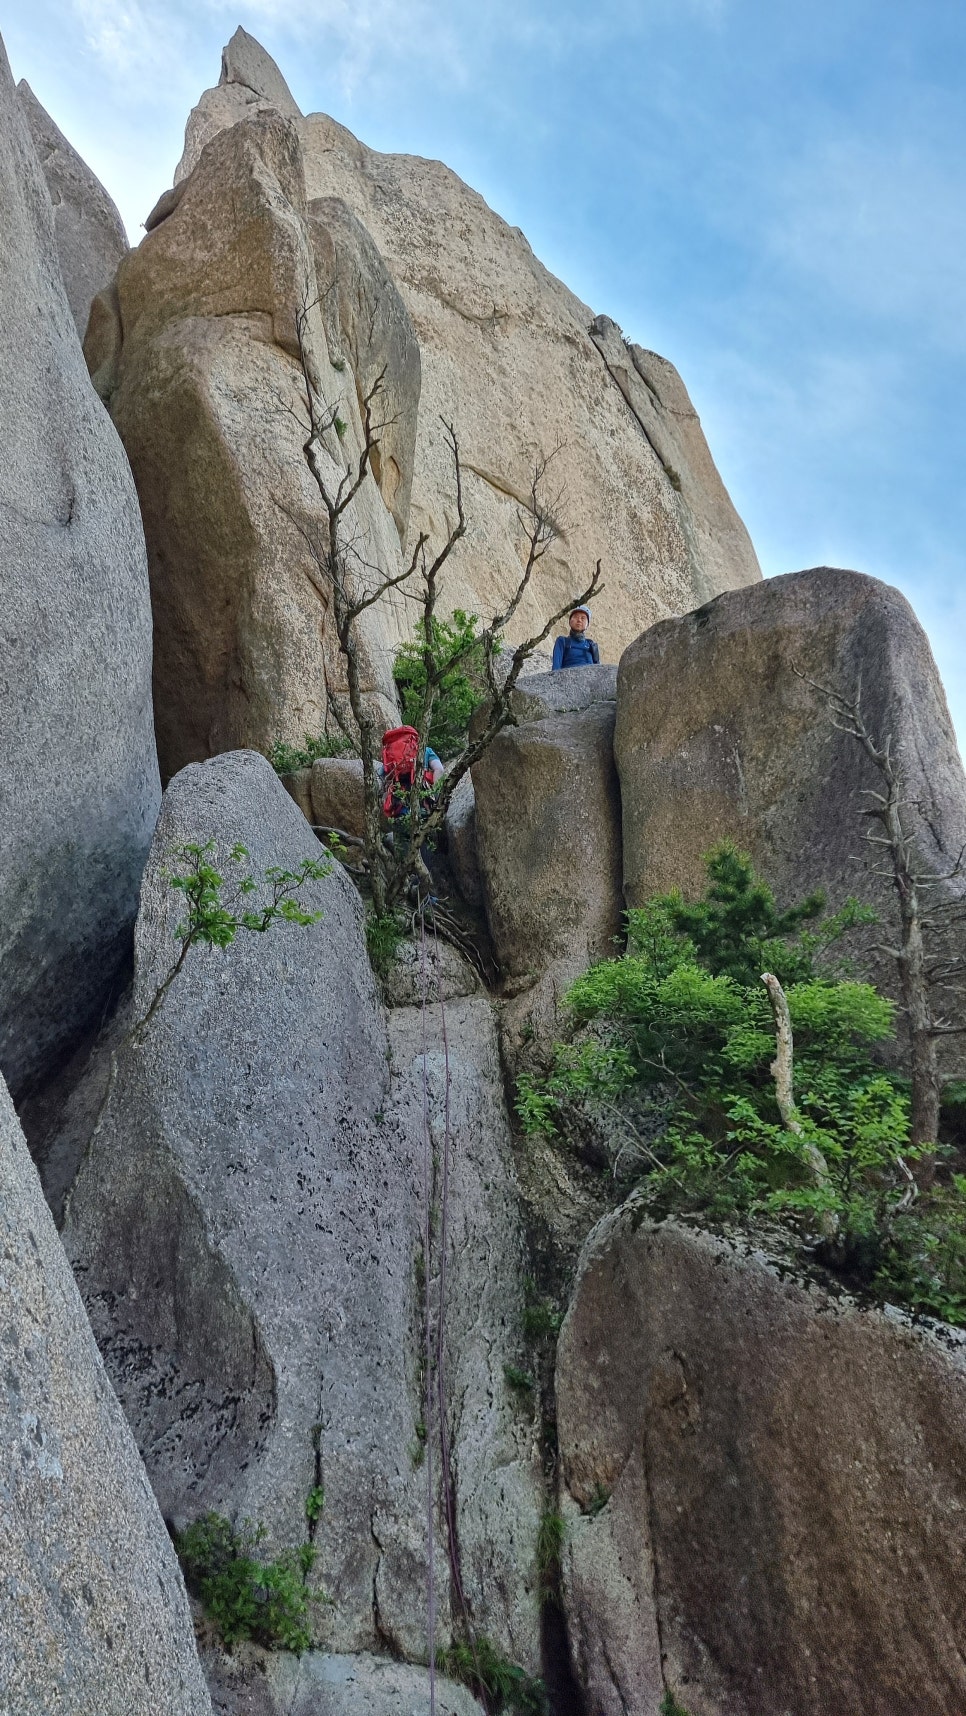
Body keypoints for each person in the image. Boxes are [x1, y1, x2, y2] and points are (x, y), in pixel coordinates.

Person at [551, 605, 600, 671]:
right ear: (570, 621)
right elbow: (556, 668)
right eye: (576, 617)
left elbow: (598, 668)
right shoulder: (562, 641)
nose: (579, 620)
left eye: (583, 618)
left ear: (587, 625)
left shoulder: (591, 644)